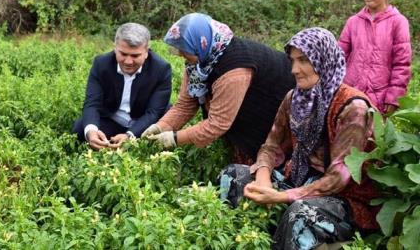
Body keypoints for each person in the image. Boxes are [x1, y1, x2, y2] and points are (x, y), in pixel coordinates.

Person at [218, 28, 379, 249]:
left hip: (346, 198)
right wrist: (263, 179)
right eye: (292, 61)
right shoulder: (294, 98)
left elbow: (339, 179)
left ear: (323, 60)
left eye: (303, 60)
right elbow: (270, 145)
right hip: (300, 179)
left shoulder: (353, 108)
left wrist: (280, 197)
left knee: (300, 213)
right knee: (234, 176)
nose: (294, 69)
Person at [142, 13, 294, 164]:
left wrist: (175, 139)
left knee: (268, 162)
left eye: (184, 49)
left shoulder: (234, 69)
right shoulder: (198, 63)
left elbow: (218, 123)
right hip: (243, 106)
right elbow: (185, 105)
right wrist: (160, 126)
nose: (180, 54)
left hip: (275, 107)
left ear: (201, 43)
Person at [72, 23, 172, 150]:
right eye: (123, 54)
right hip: (112, 119)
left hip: (144, 122)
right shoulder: (101, 64)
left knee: (166, 130)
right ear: (115, 48)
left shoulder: (161, 69)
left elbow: (154, 112)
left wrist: (130, 135)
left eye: (135, 56)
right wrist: (91, 131)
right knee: (81, 129)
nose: (128, 61)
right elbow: (92, 104)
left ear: (146, 52)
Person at [338, 0, 412, 114]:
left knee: (372, 136)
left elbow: (401, 64)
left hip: (378, 95)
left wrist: (393, 98)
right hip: (350, 92)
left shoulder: (398, 22)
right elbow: (339, 57)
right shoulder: (353, 21)